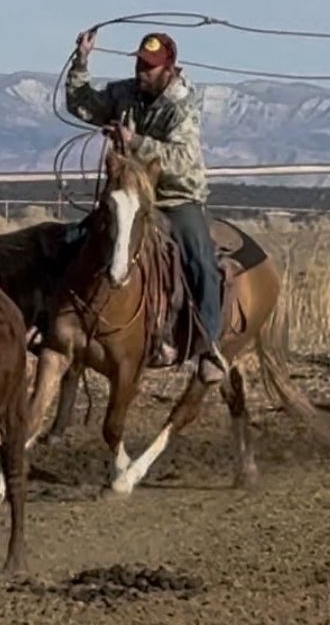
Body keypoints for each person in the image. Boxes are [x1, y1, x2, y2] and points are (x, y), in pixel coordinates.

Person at [65, 28, 227, 384]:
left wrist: (134, 141)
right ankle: (58, 317)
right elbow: (82, 104)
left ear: (169, 68)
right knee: (76, 239)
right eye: (140, 64)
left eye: (149, 66)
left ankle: (208, 344)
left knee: (199, 257)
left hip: (175, 196)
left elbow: (182, 159)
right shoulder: (125, 93)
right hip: (132, 194)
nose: (142, 71)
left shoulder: (181, 104)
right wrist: (81, 60)